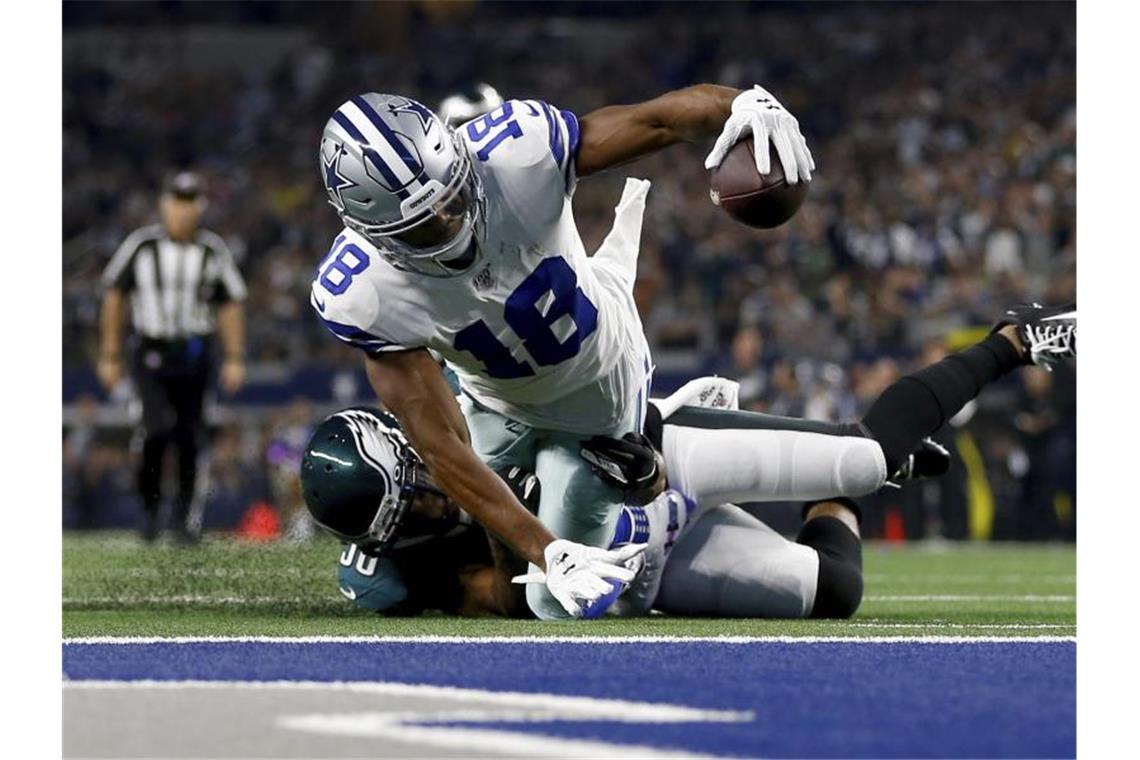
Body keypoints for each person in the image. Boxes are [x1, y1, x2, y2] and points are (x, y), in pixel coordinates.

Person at [311, 84, 814, 617]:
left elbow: (656, 121)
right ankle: (655, 484)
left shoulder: (516, 153)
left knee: (556, 603)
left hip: (599, 370)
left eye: (452, 196)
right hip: (497, 405)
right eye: (423, 224)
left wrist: (736, 105)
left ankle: (662, 477)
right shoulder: (364, 293)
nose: (451, 221)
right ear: (374, 234)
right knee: (545, 597)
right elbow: (442, 448)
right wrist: (547, 551)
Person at [303, 306, 1076, 618]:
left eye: (426, 490)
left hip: (661, 459)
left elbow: (579, 410)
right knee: (833, 593)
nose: (440, 504)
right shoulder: (397, 571)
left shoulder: (474, 417)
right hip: (641, 554)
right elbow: (503, 602)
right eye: (417, 514)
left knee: (868, 453)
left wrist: (653, 415)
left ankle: (1012, 341)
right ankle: (851, 483)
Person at [97, 171, 248, 543]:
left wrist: (235, 356)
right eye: (177, 202)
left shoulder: (212, 249)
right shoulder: (141, 245)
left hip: (196, 353)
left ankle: (182, 519)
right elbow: (114, 295)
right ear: (165, 204)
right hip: (151, 350)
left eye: (190, 202)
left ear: (200, 206)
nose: (183, 211)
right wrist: (110, 354)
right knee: (155, 428)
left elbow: (229, 303)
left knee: (190, 436)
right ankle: (148, 513)